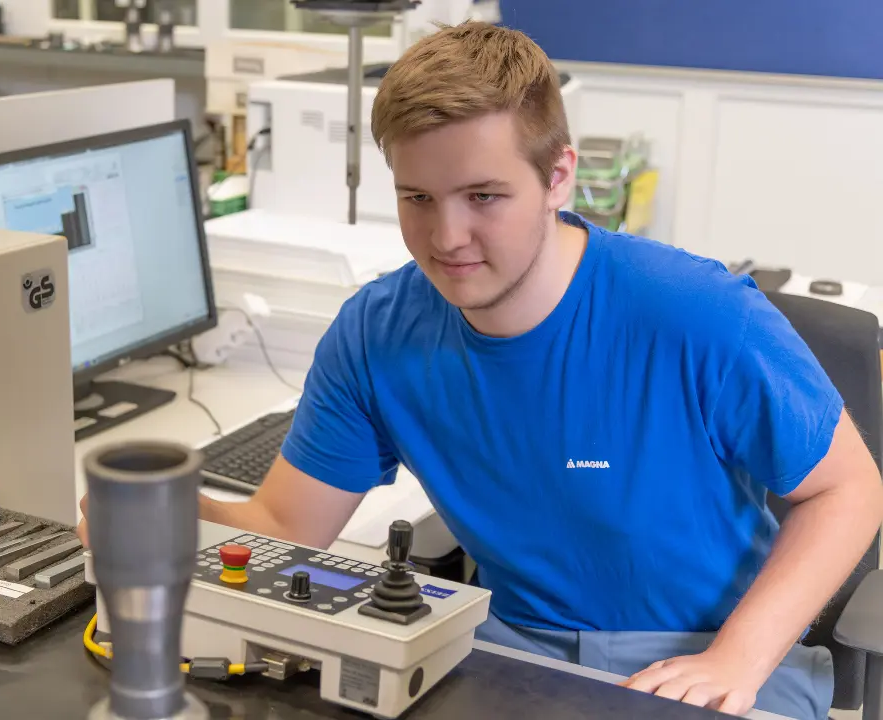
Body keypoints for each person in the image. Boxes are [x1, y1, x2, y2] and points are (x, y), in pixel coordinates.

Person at [78, 21, 883, 720]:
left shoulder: (693, 312)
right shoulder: (376, 333)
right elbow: (290, 528)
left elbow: (848, 489)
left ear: (558, 177)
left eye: (484, 196)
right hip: (509, 649)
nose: (447, 236)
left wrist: (737, 660)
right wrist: (152, 514)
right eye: (417, 198)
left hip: (711, 655)